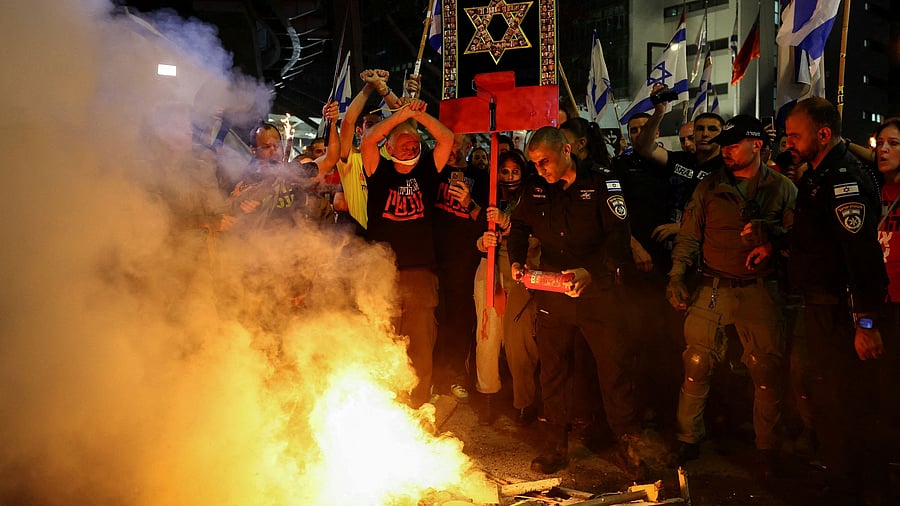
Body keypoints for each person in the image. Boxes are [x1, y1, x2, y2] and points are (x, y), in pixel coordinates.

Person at [507, 126, 642, 477]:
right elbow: (519, 226)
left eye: (545, 162)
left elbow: (619, 237)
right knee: (553, 370)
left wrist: (593, 272)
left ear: (567, 151)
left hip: (597, 291)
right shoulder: (535, 188)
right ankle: (555, 446)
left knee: (613, 368)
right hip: (554, 291)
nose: (540, 170)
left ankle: (626, 443)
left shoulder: (601, 182)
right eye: (534, 163)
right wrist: (516, 260)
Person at [666, 115, 796, 475]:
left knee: (766, 369)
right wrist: (677, 275)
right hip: (714, 286)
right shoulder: (708, 188)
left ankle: (767, 447)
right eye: (724, 144)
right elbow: (690, 236)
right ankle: (687, 437)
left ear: (757, 145)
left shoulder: (783, 188)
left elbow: (801, 236)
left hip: (760, 289)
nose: (726, 151)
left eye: (734, 144)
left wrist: (772, 237)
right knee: (696, 362)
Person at [785, 97, 890, 503]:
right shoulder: (818, 175)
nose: (789, 142)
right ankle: (842, 478)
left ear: (823, 134)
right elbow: (818, 244)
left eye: (796, 135)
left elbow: (859, 255)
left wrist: (865, 322)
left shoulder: (844, 179)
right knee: (829, 399)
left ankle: (863, 488)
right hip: (820, 307)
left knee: (851, 403)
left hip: (841, 313)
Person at [361, 98, 454, 408]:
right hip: (382, 272)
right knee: (383, 337)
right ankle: (386, 402)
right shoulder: (379, 169)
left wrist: (419, 115)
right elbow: (368, 139)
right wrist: (399, 116)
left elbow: (446, 139)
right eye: (402, 142)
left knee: (420, 343)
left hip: (419, 272)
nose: (410, 147)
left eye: (414, 142)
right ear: (389, 145)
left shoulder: (427, 170)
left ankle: (418, 402)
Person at [473, 150, 540, 426]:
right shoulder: (489, 195)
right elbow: (478, 234)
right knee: (487, 335)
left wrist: (506, 222)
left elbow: (535, 233)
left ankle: (525, 400)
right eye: (504, 171)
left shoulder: (533, 196)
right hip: (489, 269)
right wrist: (483, 240)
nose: (510, 177)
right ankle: (488, 395)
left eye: (515, 172)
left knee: (520, 340)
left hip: (520, 270)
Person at [432, 133, 489, 402]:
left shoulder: (481, 177)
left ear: (468, 147)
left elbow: (486, 221)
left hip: (464, 260)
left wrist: (468, 202)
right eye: (448, 143)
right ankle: (434, 377)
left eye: (458, 144)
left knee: (460, 319)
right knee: (435, 320)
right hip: (433, 257)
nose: (452, 149)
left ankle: (456, 375)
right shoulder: (434, 171)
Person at [633, 87, 724, 244]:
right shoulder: (681, 159)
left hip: (706, 246)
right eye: (700, 129)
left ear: (723, 134)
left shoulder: (726, 168)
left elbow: (728, 215)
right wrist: (659, 112)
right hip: (670, 243)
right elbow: (644, 148)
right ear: (693, 133)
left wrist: (684, 226)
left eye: (712, 129)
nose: (705, 134)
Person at [229, 102, 341, 230]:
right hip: (262, 245)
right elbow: (227, 216)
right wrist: (242, 209)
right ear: (253, 150)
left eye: (276, 145)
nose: (274, 150)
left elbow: (330, 158)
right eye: (266, 147)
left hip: (295, 244)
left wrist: (331, 123)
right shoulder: (245, 181)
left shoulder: (293, 171)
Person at [335, 69, 403, 231]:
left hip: (390, 234)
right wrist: (368, 87)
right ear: (359, 131)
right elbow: (347, 122)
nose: (377, 129)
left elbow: (403, 118)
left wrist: (382, 87)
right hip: (361, 238)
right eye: (370, 125)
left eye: (380, 124)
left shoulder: (388, 154)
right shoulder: (350, 158)